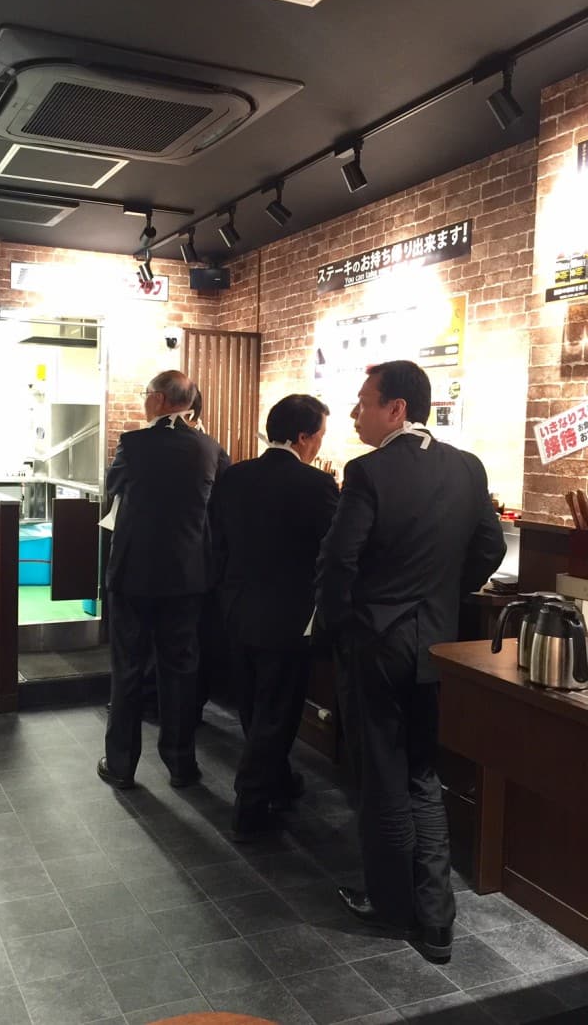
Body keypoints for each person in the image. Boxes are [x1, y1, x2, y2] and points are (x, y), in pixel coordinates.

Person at [315, 360, 505, 962]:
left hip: (376, 643)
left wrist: (339, 626)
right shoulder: (468, 467)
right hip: (436, 645)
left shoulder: (368, 471)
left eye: (363, 402)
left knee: (382, 775)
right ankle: (437, 919)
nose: (354, 413)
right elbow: (490, 548)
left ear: (396, 409)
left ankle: (392, 906)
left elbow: (339, 561)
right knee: (422, 772)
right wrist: (442, 597)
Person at [214, 394, 339, 840]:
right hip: (289, 615)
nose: (320, 445)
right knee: (278, 711)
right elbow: (333, 550)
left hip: (236, 607)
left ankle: (280, 781)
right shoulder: (318, 485)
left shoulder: (234, 476)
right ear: (304, 437)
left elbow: (217, 541)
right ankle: (249, 805)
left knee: (253, 705)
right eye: (320, 435)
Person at [98, 370, 228, 789]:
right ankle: (181, 764)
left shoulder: (134, 443)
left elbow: (112, 486)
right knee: (181, 671)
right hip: (187, 578)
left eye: (145, 394)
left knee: (128, 668)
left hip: (134, 575)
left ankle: (121, 765)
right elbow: (220, 503)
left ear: (158, 399)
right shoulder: (210, 447)